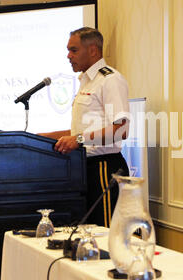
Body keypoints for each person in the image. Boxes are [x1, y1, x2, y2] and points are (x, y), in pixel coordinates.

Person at [39, 27, 130, 228]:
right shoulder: (86, 82)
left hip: (104, 169)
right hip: (82, 168)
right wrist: (40, 137)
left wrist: (78, 140)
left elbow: (121, 130)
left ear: (93, 51)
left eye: (74, 50)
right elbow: (79, 132)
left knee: (105, 233)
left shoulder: (110, 79)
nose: (68, 56)